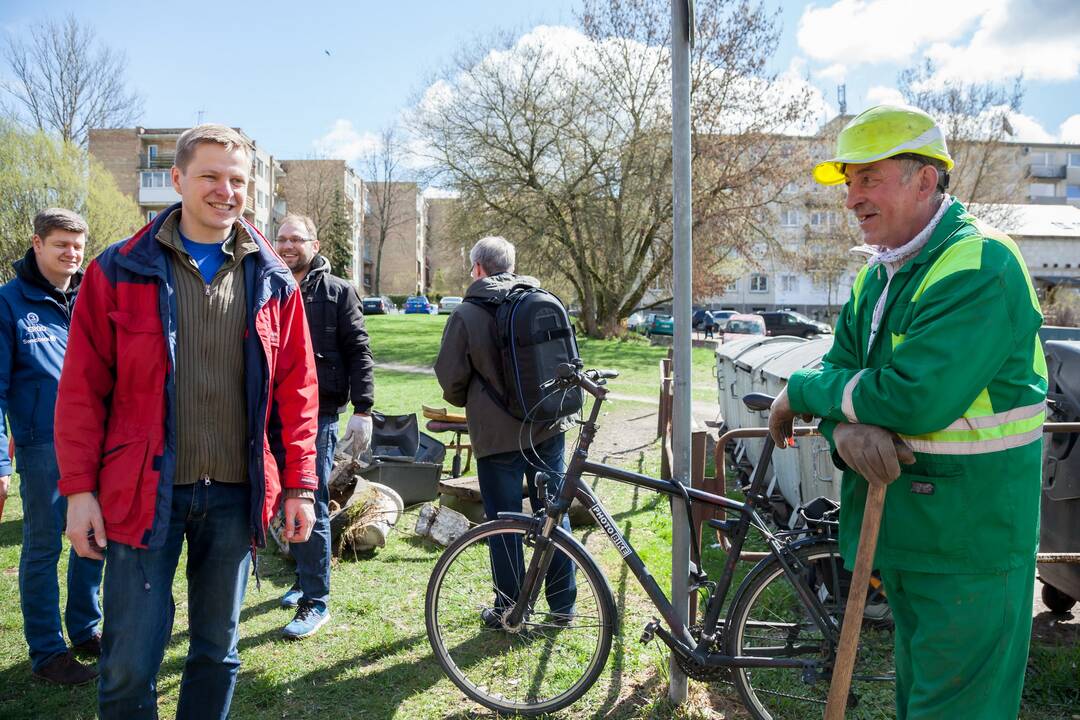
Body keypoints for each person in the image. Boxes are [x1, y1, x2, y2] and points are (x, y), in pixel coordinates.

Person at [768, 104, 1045, 720]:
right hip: (905, 527)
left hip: (970, 539)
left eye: (868, 178)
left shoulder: (981, 264)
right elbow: (846, 373)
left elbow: (914, 397)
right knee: (920, 702)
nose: (852, 199)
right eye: (849, 181)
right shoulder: (880, 276)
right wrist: (845, 427)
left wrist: (810, 395)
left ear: (926, 178)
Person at [57, 124, 320, 720]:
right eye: (210, 176)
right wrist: (78, 491)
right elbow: (80, 392)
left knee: (217, 653)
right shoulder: (117, 271)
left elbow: (298, 390)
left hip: (234, 494)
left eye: (237, 180)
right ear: (177, 180)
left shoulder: (275, 281)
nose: (224, 191)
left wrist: (301, 485)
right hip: (142, 492)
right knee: (128, 659)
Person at [434, 236, 576, 625]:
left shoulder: (466, 313)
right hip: (547, 424)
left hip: (497, 437)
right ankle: (564, 606)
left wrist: (473, 397)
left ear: (477, 268)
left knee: (504, 522)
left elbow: (451, 380)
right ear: (511, 265)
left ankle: (512, 608)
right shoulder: (540, 299)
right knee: (554, 513)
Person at [0, 208, 103, 684]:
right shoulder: (9, 303)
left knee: (94, 537)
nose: (71, 253)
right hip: (43, 446)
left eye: (78, 245)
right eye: (61, 243)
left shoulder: (89, 297)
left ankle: (86, 627)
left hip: (97, 442)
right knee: (43, 547)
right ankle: (47, 652)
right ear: (37, 244)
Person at [274, 213, 374, 639]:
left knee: (310, 498)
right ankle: (302, 579)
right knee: (284, 499)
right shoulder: (269, 285)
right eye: (281, 239)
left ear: (314, 245)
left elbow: (359, 350)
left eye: (297, 239)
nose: (288, 245)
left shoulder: (337, 292)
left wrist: (364, 408)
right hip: (271, 412)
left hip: (320, 413)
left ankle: (317, 601)